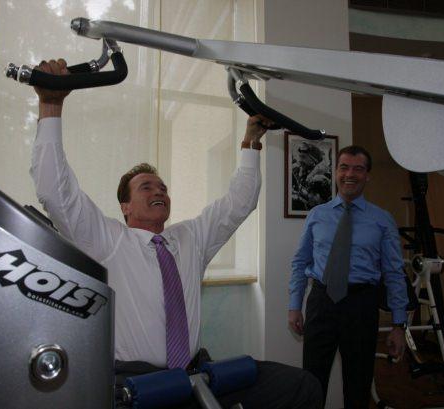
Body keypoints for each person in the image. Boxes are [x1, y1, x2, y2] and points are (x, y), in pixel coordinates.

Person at [31, 59, 322, 409]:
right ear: (125, 206)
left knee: (301, 386)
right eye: (146, 187)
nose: (159, 191)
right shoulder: (107, 240)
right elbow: (56, 192)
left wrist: (251, 142)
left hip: (195, 373)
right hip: (137, 381)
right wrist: (51, 106)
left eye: (163, 188)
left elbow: (239, 202)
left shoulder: (190, 238)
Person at [287, 145, 408, 408]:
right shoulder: (317, 215)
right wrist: (294, 306)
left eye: (358, 169)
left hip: (361, 306)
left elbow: (394, 274)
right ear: (336, 172)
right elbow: (300, 262)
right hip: (321, 303)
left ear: (367, 175)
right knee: (312, 383)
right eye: (344, 167)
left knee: (358, 385)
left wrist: (399, 325)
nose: (350, 174)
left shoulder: (382, 220)